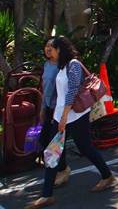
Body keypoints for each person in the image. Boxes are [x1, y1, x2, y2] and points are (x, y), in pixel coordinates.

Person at [27, 37, 115, 209]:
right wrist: (58, 116)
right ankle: (46, 195)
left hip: (76, 115)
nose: (50, 51)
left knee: (85, 147)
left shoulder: (73, 64)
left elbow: (73, 91)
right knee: (53, 152)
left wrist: (65, 115)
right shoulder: (60, 66)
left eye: (54, 48)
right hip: (60, 116)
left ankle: (107, 175)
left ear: (61, 49)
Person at [39, 38, 71, 187]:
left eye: (51, 47)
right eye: (46, 46)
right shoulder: (46, 64)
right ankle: (59, 168)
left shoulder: (62, 66)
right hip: (48, 107)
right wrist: (42, 108)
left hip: (59, 109)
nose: (48, 49)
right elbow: (44, 88)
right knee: (46, 140)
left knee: (56, 141)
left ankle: (61, 170)